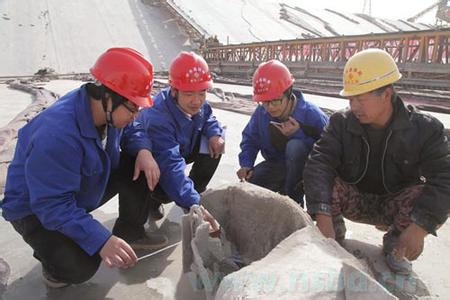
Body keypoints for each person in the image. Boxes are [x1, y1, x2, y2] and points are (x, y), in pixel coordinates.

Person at [1, 47, 168, 288]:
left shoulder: (108, 111)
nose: (136, 114)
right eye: (133, 108)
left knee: (137, 163)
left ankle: (130, 232)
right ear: (107, 96)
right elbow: (51, 204)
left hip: (76, 187)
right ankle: (53, 264)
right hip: (35, 208)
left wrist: (144, 150)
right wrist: (100, 240)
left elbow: (132, 129)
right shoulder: (58, 134)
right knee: (82, 266)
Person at [303, 48, 450, 274]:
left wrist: (420, 227)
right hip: (356, 199)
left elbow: (445, 177)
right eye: (350, 99)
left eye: (360, 99)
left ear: (386, 94)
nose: (354, 107)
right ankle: (334, 232)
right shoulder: (340, 123)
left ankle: (395, 243)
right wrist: (322, 219)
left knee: (426, 194)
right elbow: (319, 163)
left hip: (396, 205)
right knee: (324, 178)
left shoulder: (425, 129)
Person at [122, 51, 224, 225]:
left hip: (181, 146)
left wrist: (215, 133)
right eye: (189, 94)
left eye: (202, 93)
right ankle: (154, 199)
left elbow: (208, 117)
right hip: (159, 159)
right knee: (167, 184)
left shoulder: (199, 104)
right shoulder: (158, 117)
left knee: (212, 143)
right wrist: (194, 204)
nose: (197, 101)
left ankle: (195, 191)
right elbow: (170, 166)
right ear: (174, 90)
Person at [236, 60, 328, 206]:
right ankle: (282, 192)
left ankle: (294, 201)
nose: (270, 108)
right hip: (278, 165)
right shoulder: (262, 113)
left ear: (289, 93)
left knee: (295, 146)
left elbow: (328, 149)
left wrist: (298, 134)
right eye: (264, 102)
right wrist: (246, 164)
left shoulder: (311, 114)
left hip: (310, 172)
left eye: (276, 101)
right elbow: (250, 139)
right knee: (255, 180)